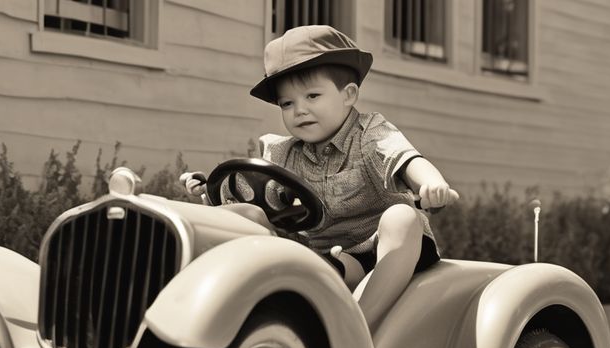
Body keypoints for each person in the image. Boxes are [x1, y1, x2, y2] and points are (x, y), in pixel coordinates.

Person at [181, 25, 458, 332]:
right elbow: (252, 195)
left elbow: (405, 158)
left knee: (403, 216)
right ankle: (227, 314)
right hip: (332, 260)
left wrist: (430, 183)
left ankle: (356, 329)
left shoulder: (370, 134)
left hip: (387, 250)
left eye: (312, 95)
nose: (300, 110)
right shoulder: (281, 152)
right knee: (247, 214)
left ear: (348, 95)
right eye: (288, 103)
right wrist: (210, 193)